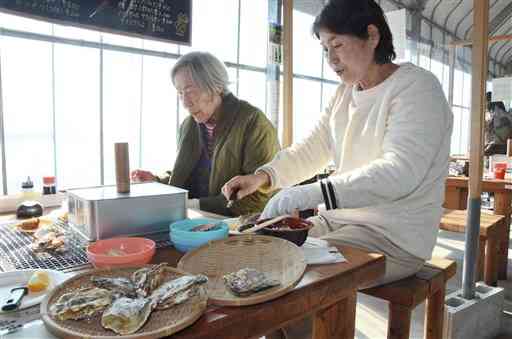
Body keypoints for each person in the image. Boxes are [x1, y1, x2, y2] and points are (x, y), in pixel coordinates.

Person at [224, 0, 453, 292]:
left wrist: (307, 193)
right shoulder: (345, 92)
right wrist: (262, 176)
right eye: (324, 49)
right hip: (338, 223)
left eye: (338, 45)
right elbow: (312, 149)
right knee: (260, 254)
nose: (330, 59)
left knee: (292, 278)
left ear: (372, 35)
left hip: (394, 236)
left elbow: (399, 172)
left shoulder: (418, 88)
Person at [132, 51, 279, 216]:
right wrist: (157, 181)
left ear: (216, 86)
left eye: (190, 90)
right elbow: (192, 176)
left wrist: (195, 204)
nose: (185, 102)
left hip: (241, 230)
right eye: (180, 93)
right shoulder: (189, 126)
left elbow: (259, 195)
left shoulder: (253, 122)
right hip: (197, 222)